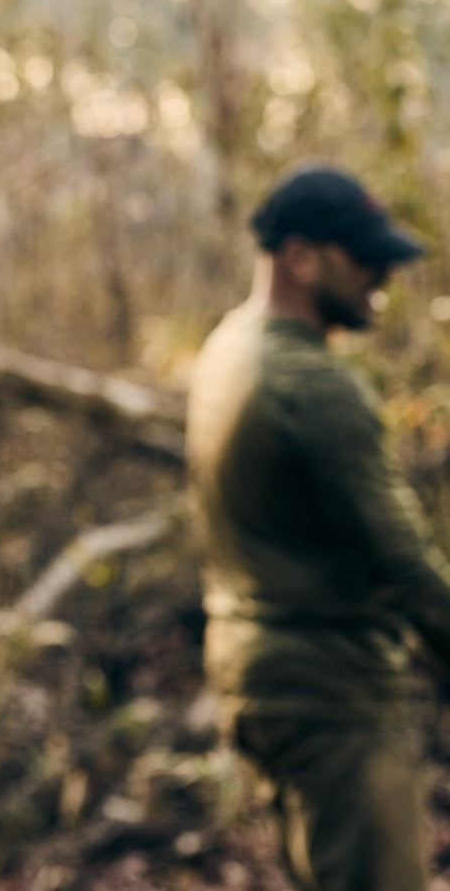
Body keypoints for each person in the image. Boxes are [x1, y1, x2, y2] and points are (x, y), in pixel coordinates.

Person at [186, 163, 450, 891]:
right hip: (333, 694)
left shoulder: (228, 347)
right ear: (301, 257)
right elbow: (402, 559)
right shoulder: (313, 383)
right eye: (365, 258)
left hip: (257, 681)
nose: (382, 277)